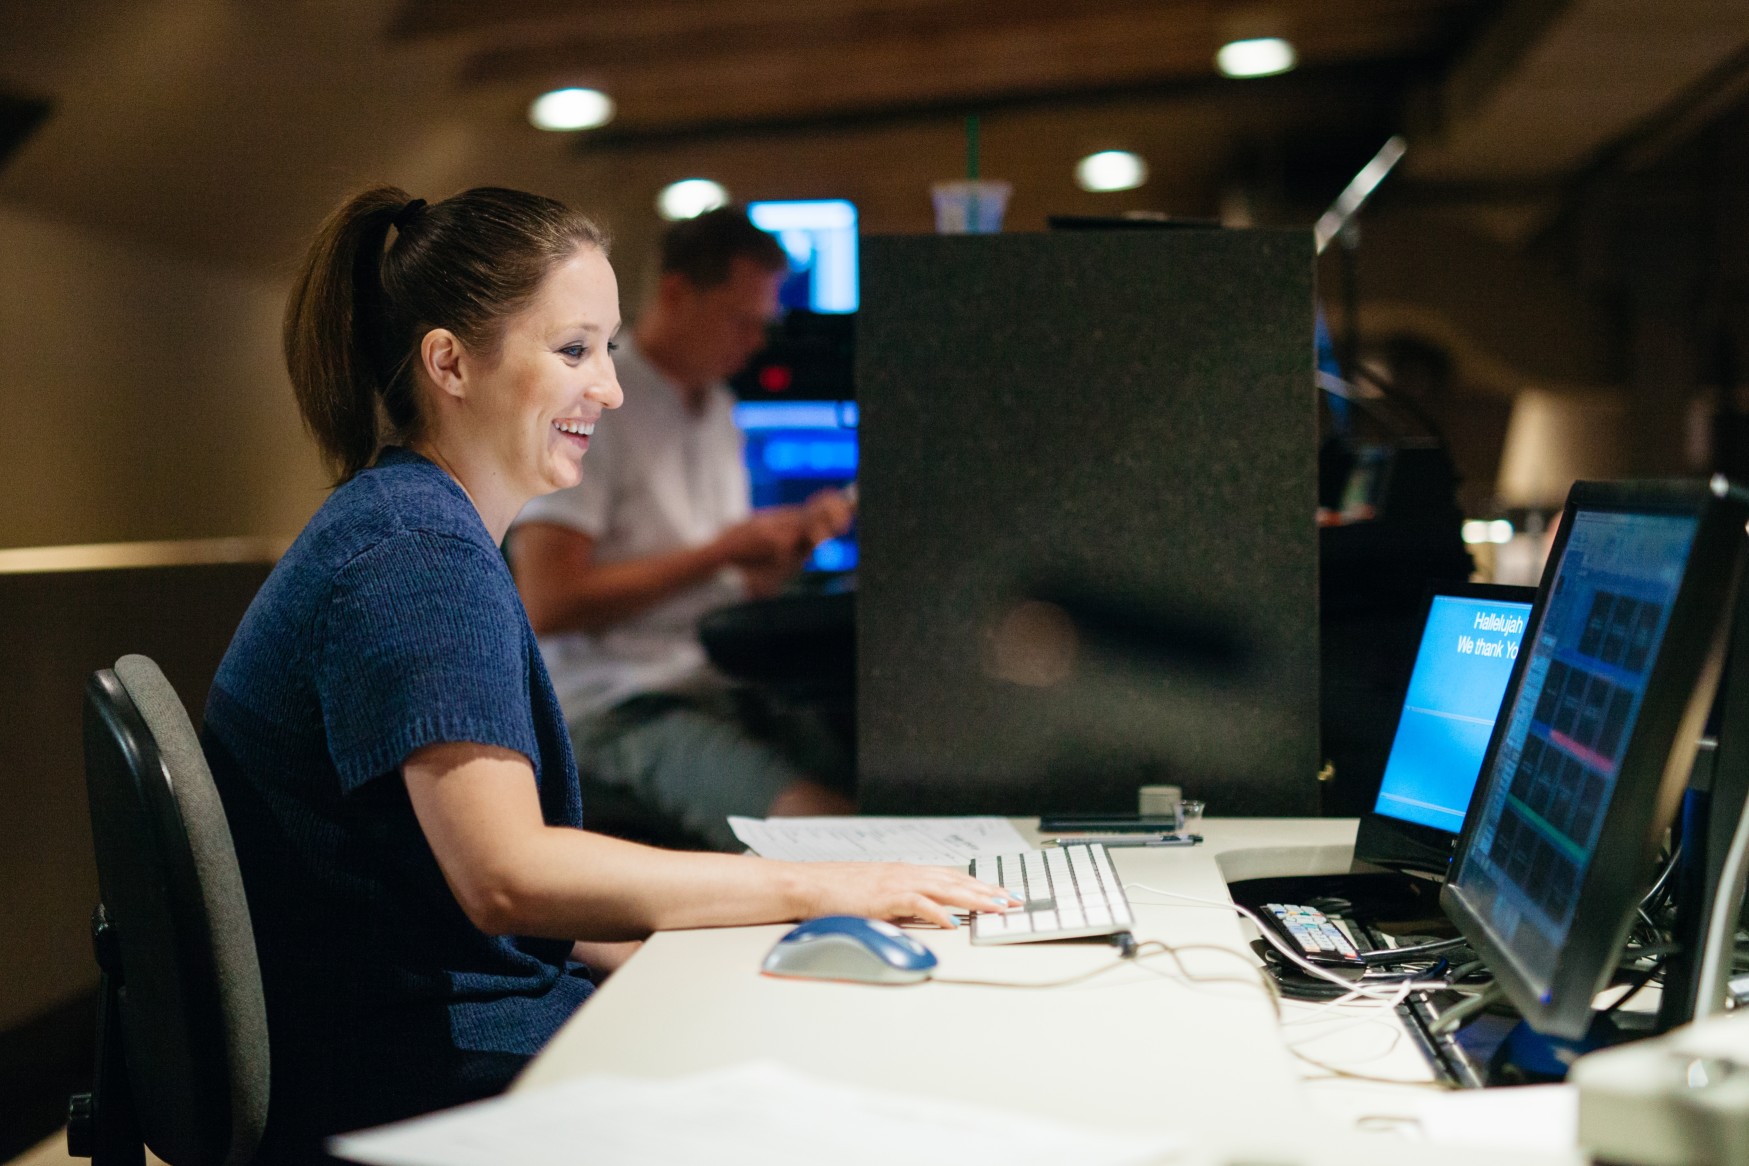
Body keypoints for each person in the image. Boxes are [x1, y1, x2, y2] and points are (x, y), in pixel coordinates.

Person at [200, 185, 1013, 1165]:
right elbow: (507, 875)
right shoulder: (412, 551)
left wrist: (672, 954)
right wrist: (809, 884)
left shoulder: (413, 525)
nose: (611, 389)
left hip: (429, 1030)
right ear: (449, 361)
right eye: (575, 350)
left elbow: (442, 882)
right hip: (417, 1073)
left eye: (609, 350)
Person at [509, 207, 856, 851]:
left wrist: (782, 551)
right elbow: (547, 603)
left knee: (877, 788)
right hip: (615, 701)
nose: (756, 342)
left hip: (710, 679)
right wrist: (720, 551)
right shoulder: (595, 403)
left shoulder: (719, 407)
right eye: (740, 319)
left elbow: (725, 586)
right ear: (676, 293)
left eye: (764, 325)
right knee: (824, 835)